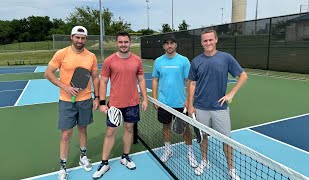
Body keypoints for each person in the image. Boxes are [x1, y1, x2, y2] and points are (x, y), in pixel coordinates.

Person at [187, 28, 247, 179]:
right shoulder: (196, 61)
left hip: (220, 108)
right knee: (203, 137)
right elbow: (192, 84)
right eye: (205, 40)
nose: (208, 42)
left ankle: (231, 169)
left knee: (226, 140)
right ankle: (204, 161)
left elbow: (243, 76)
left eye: (210, 39)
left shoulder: (226, 58)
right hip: (200, 108)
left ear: (216, 40)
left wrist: (231, 93)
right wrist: (190, 104)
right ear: (201, 42)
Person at [44, 26, 100, 180]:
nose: (80, 41)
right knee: (66, 134)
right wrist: (65, 87)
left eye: (83, 38)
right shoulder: (61, 53)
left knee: (83, 129)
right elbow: (48, 73)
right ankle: (63, 166)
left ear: (86, 39)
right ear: (71, 37)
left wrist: (97, 97)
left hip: (85, 100)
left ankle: (83, 156)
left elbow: (95, 77)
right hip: (66, 101)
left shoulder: (91, 56)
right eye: (77, 37)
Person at [93, 31, 148, 179]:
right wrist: (103, 103)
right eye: (120, 42)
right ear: (117, 43)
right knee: (110, 132)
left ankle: (125, 157)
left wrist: (145, 98)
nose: (123, 44)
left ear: (130, 43)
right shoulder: (109, 61)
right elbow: (103, 82)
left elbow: (141, 80)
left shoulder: (137, 60)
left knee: (129, 129)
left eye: (126, 42)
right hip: (115, 105)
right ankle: (104, 163)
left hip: (132, 103)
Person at [152, 34, 198, 168]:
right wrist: (155, 99)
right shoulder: (158, 61)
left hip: (180, 103)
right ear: (163, 46)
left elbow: (189, 81)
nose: (169, 45)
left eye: (172, 43)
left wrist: (189, 100)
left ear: (176, 45)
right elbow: (155, 80)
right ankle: (168, 150)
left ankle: (190, 153)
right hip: (164, 103)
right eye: (167, 43)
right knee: (165, 127)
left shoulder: (184, 61)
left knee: (185, 129)